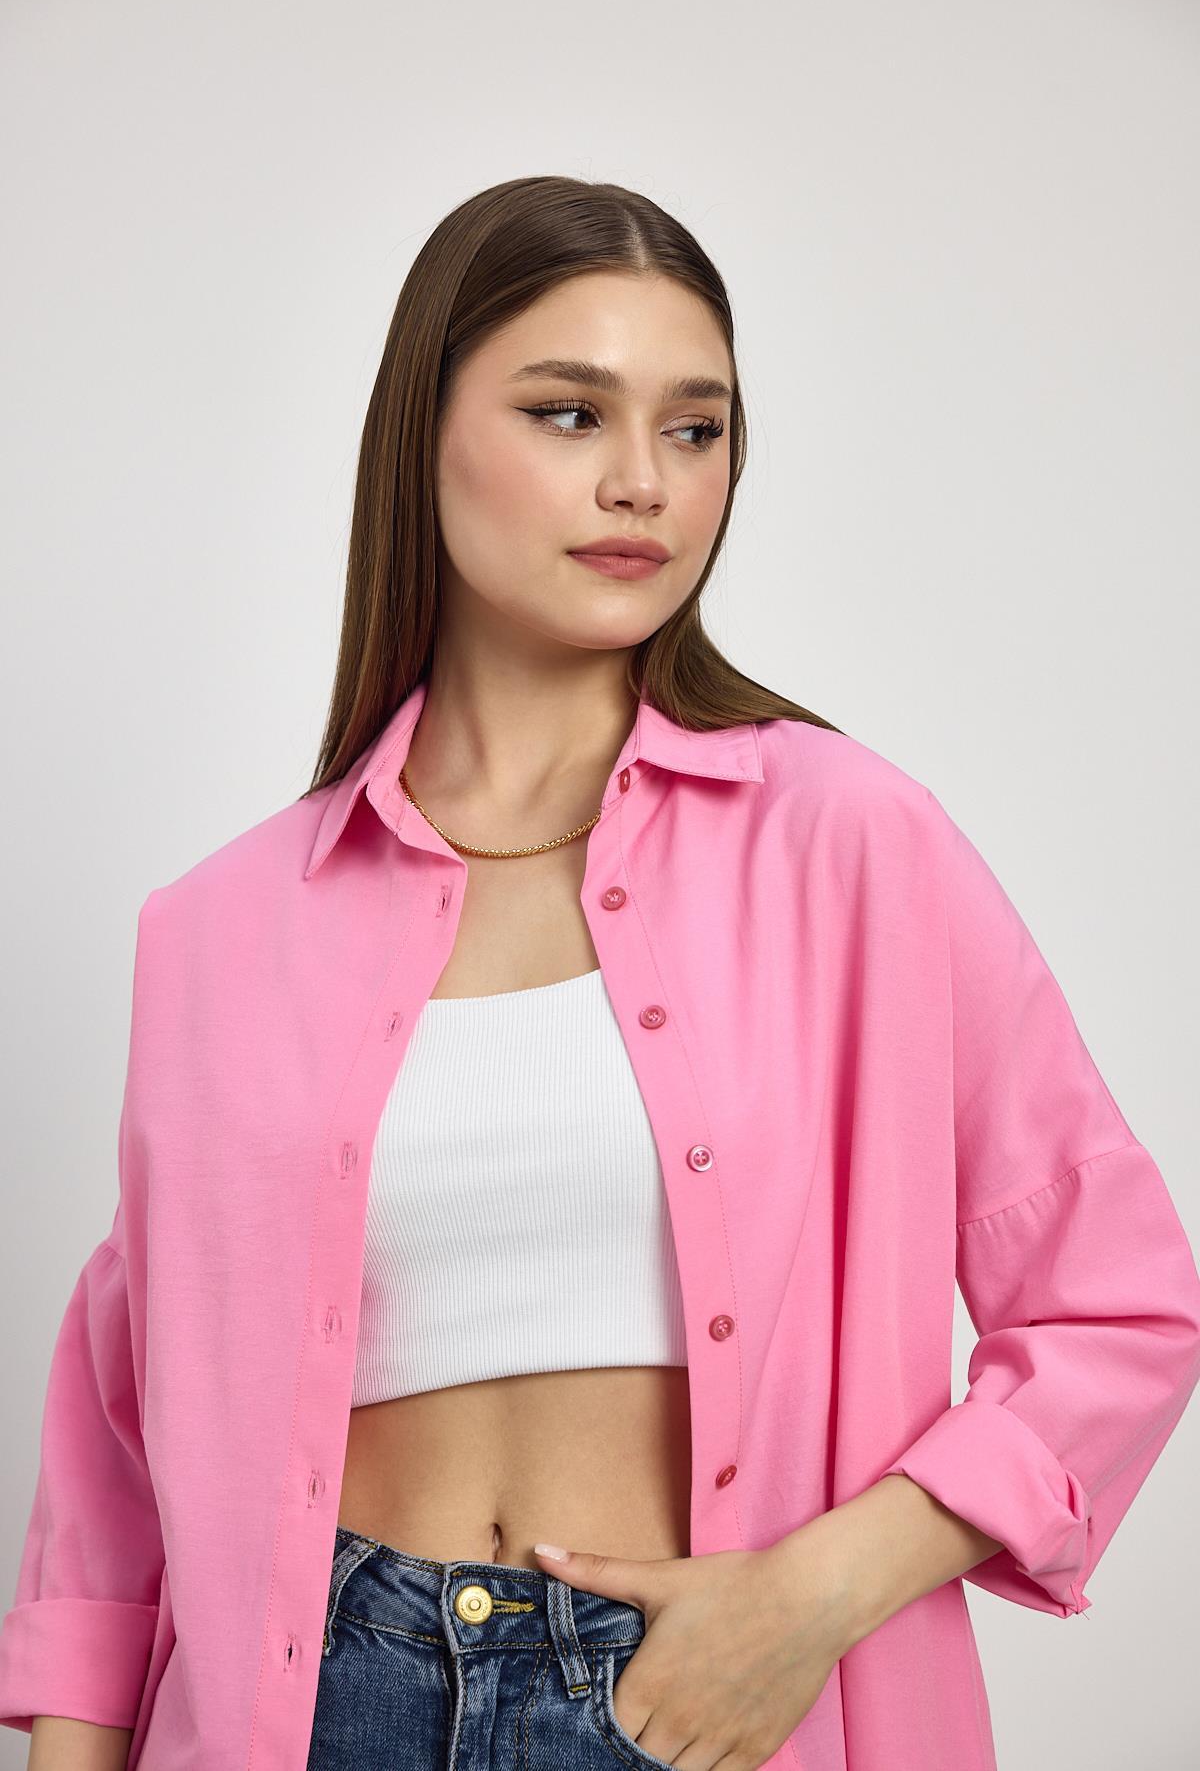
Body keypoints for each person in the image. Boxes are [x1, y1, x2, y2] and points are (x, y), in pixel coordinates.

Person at [2, 175, 1198, 1771]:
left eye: (695, 430)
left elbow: (1120, 1302)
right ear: (422, 432)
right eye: (570, 414)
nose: (643, 480)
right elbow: (116, 1466)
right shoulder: (222, 926)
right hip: (312, 1709)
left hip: (702, 1704)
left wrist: (811, 1600)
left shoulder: (850, 844)